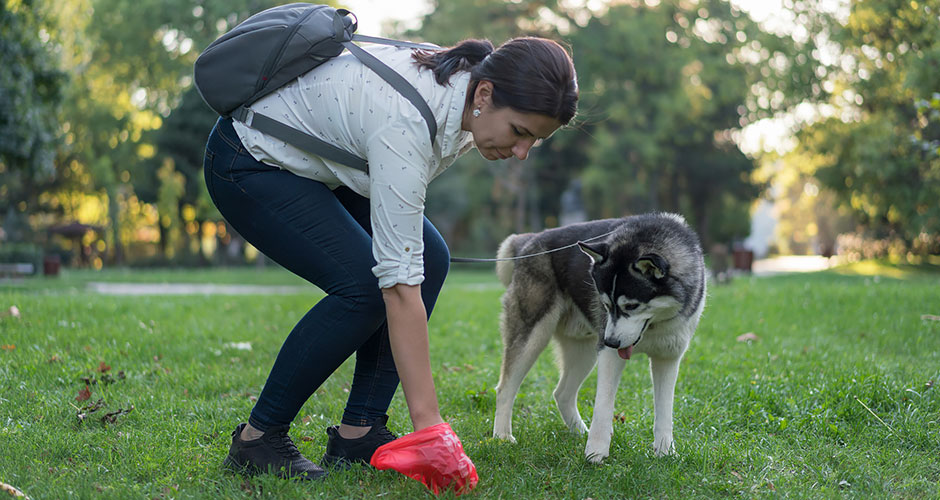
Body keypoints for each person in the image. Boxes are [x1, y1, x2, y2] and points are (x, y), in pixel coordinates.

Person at [204, 35, 579, 482]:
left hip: (320, 165)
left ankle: (358, 432)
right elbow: (399, 288)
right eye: (520, 132)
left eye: (535, 141)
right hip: (250, 161)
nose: (521, 152)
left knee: (432, 259)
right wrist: (430, 428)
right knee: (364, 288)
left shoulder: (465, 93)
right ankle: (257, 440)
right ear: (485, 94)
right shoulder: (407, 121)